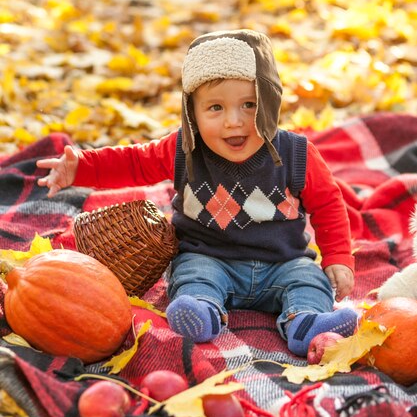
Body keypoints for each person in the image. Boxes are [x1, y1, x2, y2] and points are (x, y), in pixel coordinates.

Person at [37, 29, 357, 357]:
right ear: (192, 112)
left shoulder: (296, 153)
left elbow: (328, 204)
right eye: (215, 108)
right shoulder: (184, 149)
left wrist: (338, 257)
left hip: (283, 262)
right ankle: (201, 313)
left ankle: (307, 322)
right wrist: (82, 167)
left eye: (250, 105)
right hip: (210, 257)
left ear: (271, 103)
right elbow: (135, 162)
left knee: (308, 280)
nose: (234, 121)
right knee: (193, 276)